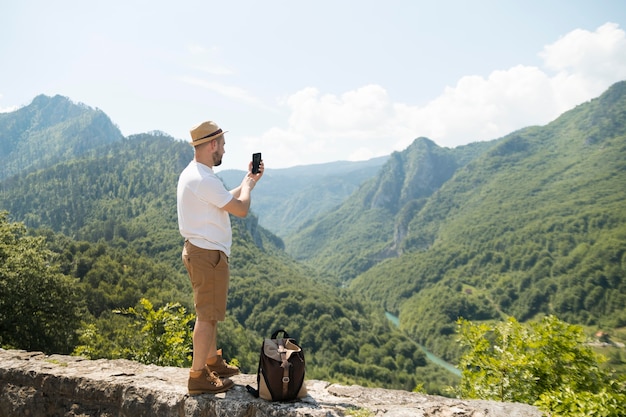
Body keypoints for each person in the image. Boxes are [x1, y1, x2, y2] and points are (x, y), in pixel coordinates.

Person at [177, 120, 264, 395]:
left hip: (200, 252)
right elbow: (240, 208)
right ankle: (198, 376)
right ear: (212, 144)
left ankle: (212, 361)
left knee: (209, 313)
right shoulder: (203, 178)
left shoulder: (195, 174)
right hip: (207, 255)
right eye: (223, 145)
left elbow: (224, 198)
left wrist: (246, 182)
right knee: (206, 317)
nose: (224, 150)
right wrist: (249, 186)